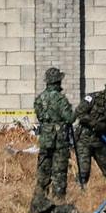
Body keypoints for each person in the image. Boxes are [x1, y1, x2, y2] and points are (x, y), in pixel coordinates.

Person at [35, 67, 76, 198]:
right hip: (59, 141)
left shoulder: (39, 98)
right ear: (58, 81)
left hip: (45, 139)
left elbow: (40, 117)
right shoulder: (60, 99)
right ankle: (58, 200)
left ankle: (41, 197)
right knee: (59, 171)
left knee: (43, 169)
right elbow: (69, 118)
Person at [75, 80, 106, 187]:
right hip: (84, 140)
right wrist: (94, 123)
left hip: (101, 140)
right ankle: (80, 194)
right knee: (83, 172)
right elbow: (79, 112)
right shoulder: (92, 98)